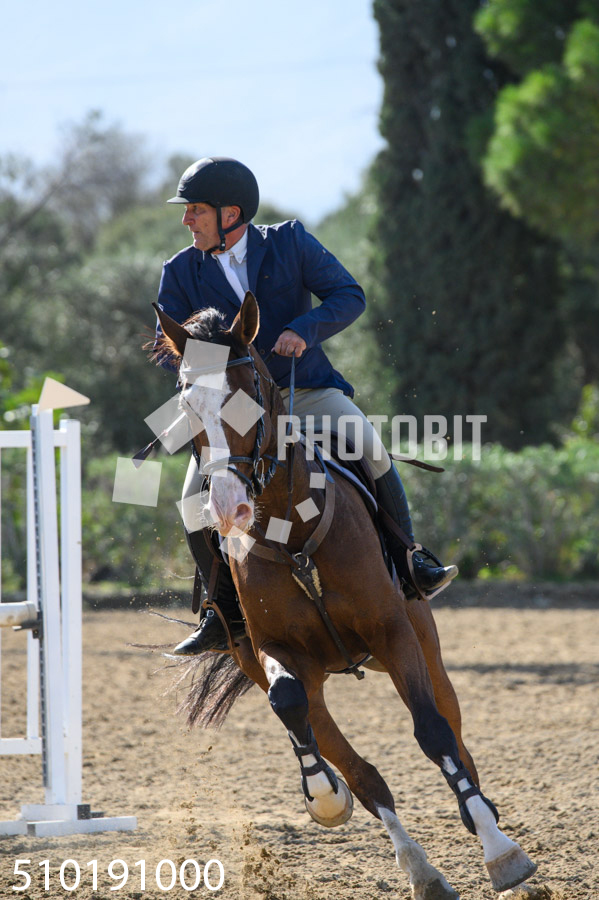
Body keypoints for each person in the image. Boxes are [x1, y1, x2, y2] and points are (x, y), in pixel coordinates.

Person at [153, 157, 457, 655]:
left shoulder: (290, 242)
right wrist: (221, 378)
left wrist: (303, 329)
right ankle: (221, 610)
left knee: (368, 445)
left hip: (306, 388)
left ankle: (410, 562)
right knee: (191, 501)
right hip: (237, 408)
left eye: (196, 210)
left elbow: (348, 294)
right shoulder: (180, 270)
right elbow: (170, 351)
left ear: (231, 214)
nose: (187, 220)